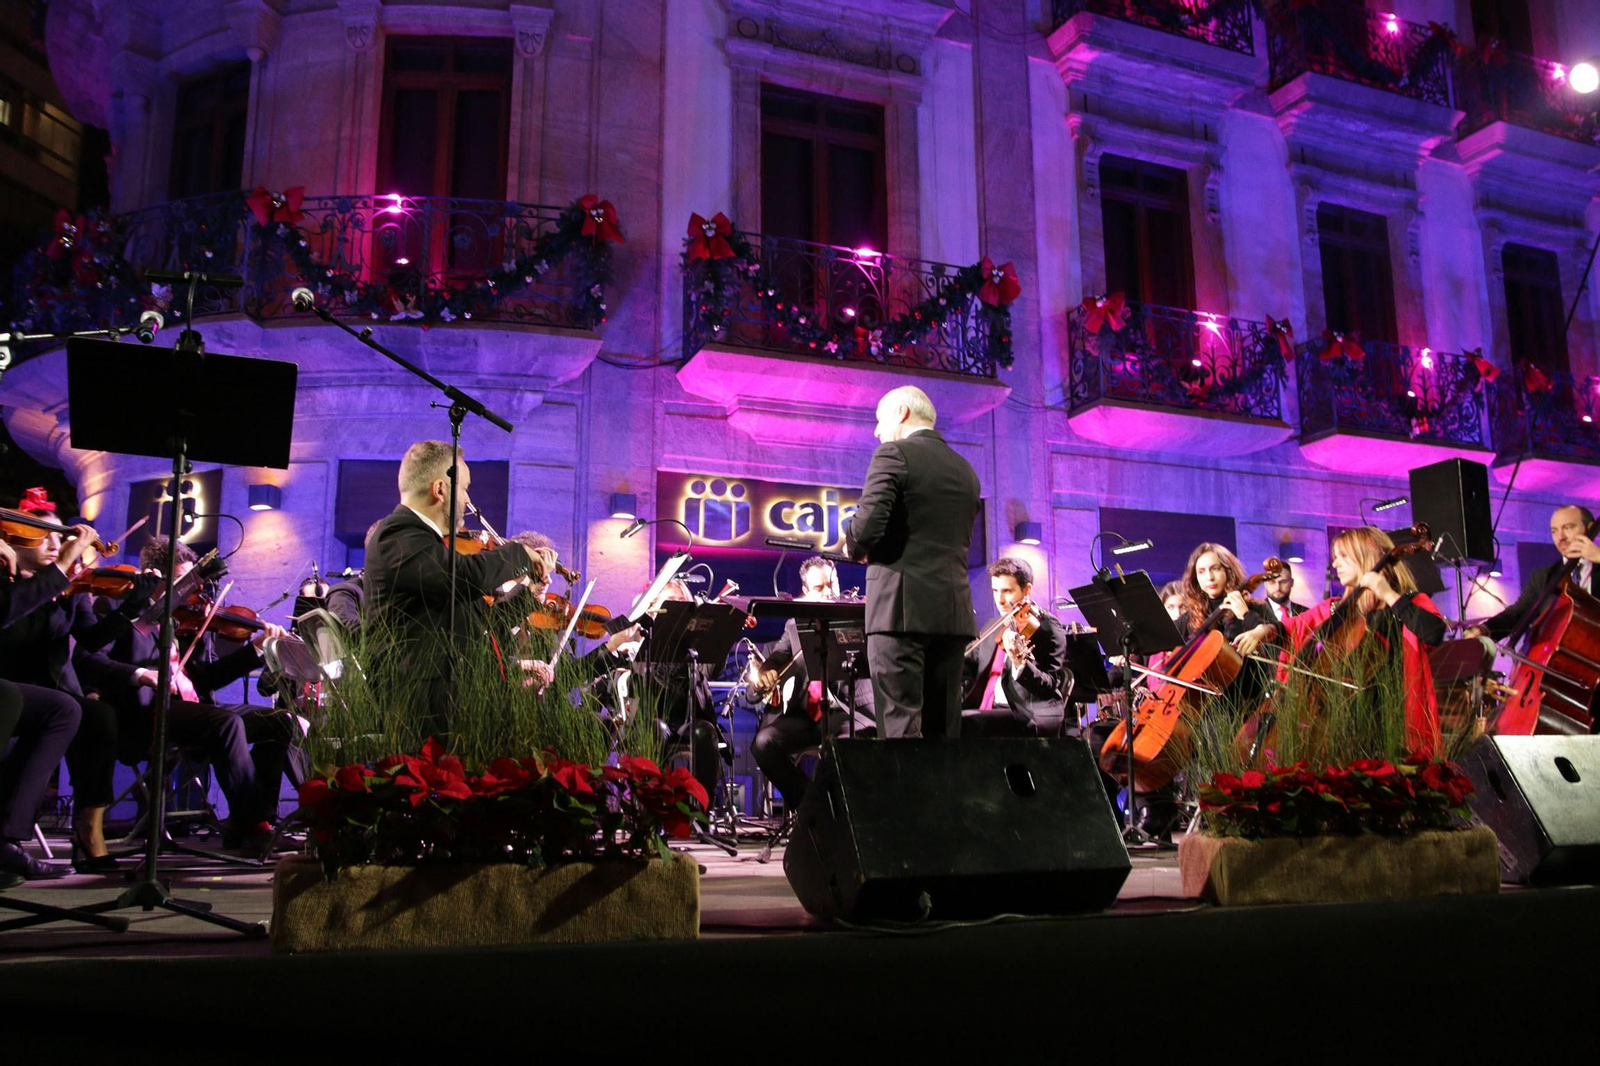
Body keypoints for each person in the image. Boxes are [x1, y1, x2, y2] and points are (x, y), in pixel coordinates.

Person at [76, 537, 297, 857]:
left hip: (191, 710)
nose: (187, 592)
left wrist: (255, 649)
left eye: (190, 582)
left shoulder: (187, 616)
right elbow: (91, 661)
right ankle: (254, 825)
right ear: (152, 573)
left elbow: (207, 678)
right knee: (226, 723)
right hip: (141, 712)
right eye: (179, 582)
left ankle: (242, 820)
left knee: (277, 721)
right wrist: (140, 675)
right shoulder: (115, 605)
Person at [362, 441, 555, 737]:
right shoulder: (397, 535)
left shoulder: (430, 544)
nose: (468, 500)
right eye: (464, 488)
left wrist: (529, 591)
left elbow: (483, 626)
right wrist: (519, 553)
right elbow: (467, 576)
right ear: (440, 490)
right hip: (421, 715)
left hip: (454, 709)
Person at [0, 491, 141, 875]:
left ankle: (89, 830)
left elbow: (90, 642)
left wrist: (131, 609)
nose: (53, 543)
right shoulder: (10, 576)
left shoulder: (68, 588)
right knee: (64, 709)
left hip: (55, 690)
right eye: (42, 534)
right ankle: (9, 834)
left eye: (58, 536)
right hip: (13, 682)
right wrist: (58, 568)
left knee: (98, 716)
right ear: (12, 537)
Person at [844, 385, 981, 739]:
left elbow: (865, 532)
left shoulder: (893, 454)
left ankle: (905, 797)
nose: (876, 431)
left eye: (879, 420)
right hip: (952, 617)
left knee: (899, 732)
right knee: (944, 736)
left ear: (902, 412)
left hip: (899, 615)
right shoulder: (965, 469)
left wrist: (852, 546)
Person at [1280, 526, 1447, 758]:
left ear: (1366, 557)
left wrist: (1388, 594)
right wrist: (1264, 628)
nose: (1335, 564)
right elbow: (1294, 628)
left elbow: (1434, 632)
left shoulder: (1407, 601)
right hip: (1343, 725)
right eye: (1335, 558)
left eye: (1343, 557)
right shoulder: (1338, 609)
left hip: (1392, 724)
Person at [749, 557, 874, 808]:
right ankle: (810, 807)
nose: (829, 593)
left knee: (847, 742)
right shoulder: (795, 624)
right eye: (820, 588)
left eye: (832, 585)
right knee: (764, 743)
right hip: (809, 716)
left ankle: (850, 811)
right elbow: (777, 658)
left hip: (847, 710)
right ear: (806, 592)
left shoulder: (858, 617)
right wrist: (764, 673)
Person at [961, 557, 1070, 736]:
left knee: (967, 723)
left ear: (1027, 589)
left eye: (1007, 591)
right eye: (995, 591)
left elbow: (1048, 686)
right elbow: (969, 663)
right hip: (992, 708)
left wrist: (1020, 663)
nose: (1000, 600)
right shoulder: (993, 625)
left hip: (1028, 711)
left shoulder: (1046, 627)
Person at [1466, 504, 1599, 642]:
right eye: (1554, 531)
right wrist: (1486, 628)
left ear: (1589, 528)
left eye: (1568, 528)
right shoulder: (1544, 576)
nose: (1560, 537)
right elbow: (1518, 612)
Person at [1262, 560, 1307, 626]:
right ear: (1265, 584)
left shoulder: (1306, 613)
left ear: (1292, 583)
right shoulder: (1256, 614)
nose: (1277, 588)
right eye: (1272, 582)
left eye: (1283, 582)